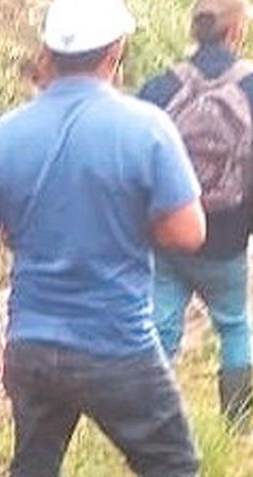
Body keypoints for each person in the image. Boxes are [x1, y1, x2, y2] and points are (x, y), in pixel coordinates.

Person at [0, 0, 238, 477]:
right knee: (171, 464)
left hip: (32, 342)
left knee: (34, 472)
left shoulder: (3, 135)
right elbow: (190, 231)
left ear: (49, 55)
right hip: (115, 344)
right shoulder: (145, 128)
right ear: (116, 54)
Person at [139, 0, 253, 427]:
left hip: (168, 235)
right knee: (236, 326)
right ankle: (238, 426)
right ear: (235, 32)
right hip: (226, 242)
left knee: (161, 328)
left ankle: (154, 424)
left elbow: (136, 166)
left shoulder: (159, 88)